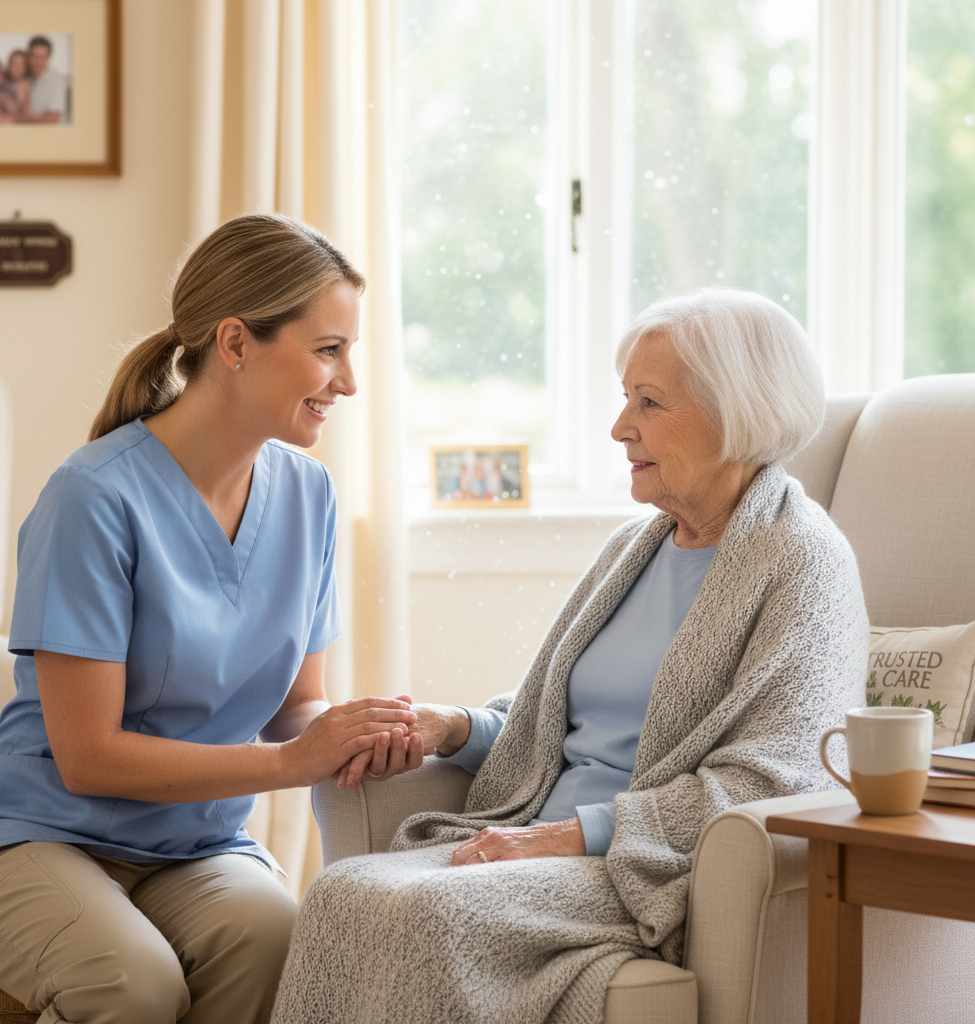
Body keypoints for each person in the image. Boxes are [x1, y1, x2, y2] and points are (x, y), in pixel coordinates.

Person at [271, 288, 869, 1024]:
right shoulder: (634, 548)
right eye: (625, 400)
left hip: (634, 865)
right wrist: (453, 727)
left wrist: (565, 837)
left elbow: (774, 776)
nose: (620, 428)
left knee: (434, 915)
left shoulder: (803, 561)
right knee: (341, 892)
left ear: (736, 414)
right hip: (537, 840)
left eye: (650, 404)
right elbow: (545, 719)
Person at [0, 214, 418, 1024]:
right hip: (35, 838)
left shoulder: (309, 497)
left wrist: (348, 734)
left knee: (280, 937)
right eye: (328, 349)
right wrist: (290, 765)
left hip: (193, 846)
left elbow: (292, 709)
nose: (347, 383)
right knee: (132, 983)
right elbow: (89, 757)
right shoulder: (93, 497)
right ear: (235, 343)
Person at [25, 35, 68, 123]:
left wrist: (22, 118)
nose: (37, 62)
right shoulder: (26, 77)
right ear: (28, 57)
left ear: (48, 59)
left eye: (41, 57)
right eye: (34, 56)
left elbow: (52, 120)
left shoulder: (57, 81)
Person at [0, 49, 33, 121]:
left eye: (21, 65)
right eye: (14, 64)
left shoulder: (23, 84)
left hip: (18, 116)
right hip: (4, 113)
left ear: (26, 68)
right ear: (9, 65)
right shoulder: (4, 81)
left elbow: (20, 106)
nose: (17, 68)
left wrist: (7, 102)